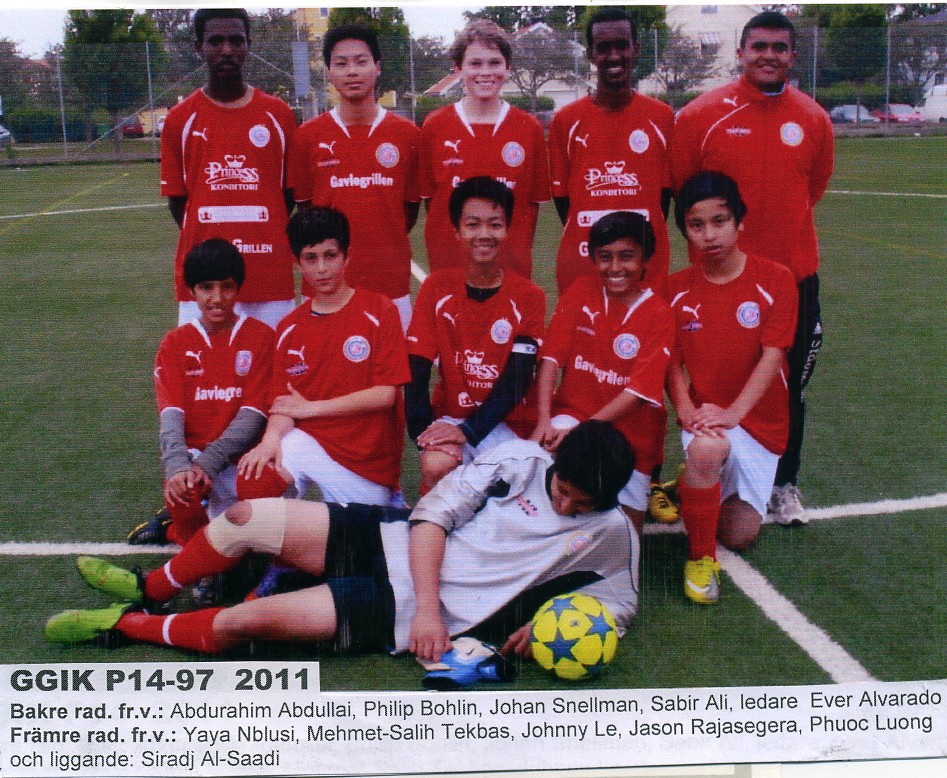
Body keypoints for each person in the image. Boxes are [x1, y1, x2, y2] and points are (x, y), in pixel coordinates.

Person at [45, 421, 639, 662]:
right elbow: (430, 519)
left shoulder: (611, 531)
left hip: (397, 612)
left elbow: (619, 602)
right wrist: (430, 610)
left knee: (241, 623)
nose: (567, 508)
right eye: (563, 492)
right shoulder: (518, 459)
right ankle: (148, 589)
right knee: (247, 518)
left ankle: (125, 626)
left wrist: (550, 623)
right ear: (555, 463)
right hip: (392, 542)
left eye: (582, 505)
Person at [670, 11, 833, 525]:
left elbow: (813, 187)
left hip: (793, 279)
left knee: (789, 386)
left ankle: (783, 483)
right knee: (714, 381)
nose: (768, 55)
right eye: (758, 46)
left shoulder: (813, 119)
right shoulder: (701, 115)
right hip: (719, 282)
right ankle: (703, 468)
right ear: (741, 53)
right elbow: (685, 196)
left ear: (792, 55)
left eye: (779, 47)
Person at [663, 172, 797, 606]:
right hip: (707, 419)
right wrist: (686, 409)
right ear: (685, 231)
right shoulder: (674, 290)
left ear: (740, 222)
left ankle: (688, 485)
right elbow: (671, 363)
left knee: (739, 534)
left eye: (719, 221)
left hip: (759, 422)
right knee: (706, 450)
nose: (709, 234)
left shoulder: (775, 280)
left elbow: (773, 356)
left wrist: (735, 412)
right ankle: (701, 559)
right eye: (696, 225)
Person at [237, 207, 410, 507]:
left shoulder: (380, 311)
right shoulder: (289, 327)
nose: (321, 268)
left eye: (330, 256)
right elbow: (283, 405)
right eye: (310, 258)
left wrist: (311, 409)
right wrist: (270, 440)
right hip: (310, 443)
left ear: (347, 256)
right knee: (256, 479)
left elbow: (385, 395)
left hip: (363, 461)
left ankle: (389, 504)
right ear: (297, 263)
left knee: (351, 535)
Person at [126, 239, 275, 546]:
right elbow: (170, 416)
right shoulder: (175, 343)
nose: (217, 298)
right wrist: (179, 467)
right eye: (206, 287)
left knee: (260, 494)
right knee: (182, 492)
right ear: (192, 291)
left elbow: (253, 416)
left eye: (226, 287)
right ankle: (182, 534)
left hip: (242, 458)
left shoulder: (261, 337)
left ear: (238, 288)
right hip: (196, 462)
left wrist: (208, 463)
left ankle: (193, 533)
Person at [533, 212, 674, 534]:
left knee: (624, 537)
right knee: (546, 496)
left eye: (627, 256)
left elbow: (638, 394)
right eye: (605, 257)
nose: (615, 267)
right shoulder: (581, 290)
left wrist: (582, 433)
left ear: (644, 259)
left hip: (631, 436)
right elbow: (550, 359)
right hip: (572, 416)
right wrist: (543, 420)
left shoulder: (659, 313)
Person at [406, 177, 545, 493]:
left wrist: (470, 431)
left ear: (506, 230)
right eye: (472, 225)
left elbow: (518, 378)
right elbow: (416, 370)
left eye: (495, 224)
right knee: (436, 463)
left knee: (514, 488)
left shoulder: (529, 296)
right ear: (457, 231)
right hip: (454, 417)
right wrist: (426, 435)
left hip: (509, 423)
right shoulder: (436, 288)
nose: (484, 234)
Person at [160, 8, 298, 330]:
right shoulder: (180, 119)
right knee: (206, 364)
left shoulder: (278, 115)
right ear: (199, 47)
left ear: (248, 45)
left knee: (274, 362)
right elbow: (178, 203)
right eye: (215, 41)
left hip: (269, 278)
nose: (227, 50)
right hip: (204, 283)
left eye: (236, 41)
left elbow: (287, 197)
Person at [288, 24, 420, 332]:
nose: (352, 71)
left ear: (377, 67)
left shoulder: (408, 136)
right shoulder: (307, 137)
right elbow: (306, 211)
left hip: (390, 285)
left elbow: (408, 212)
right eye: (341, 63)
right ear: (329, 73)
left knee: (393, 364)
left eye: (361, 61)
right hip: (326, 288)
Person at [547, 7, 674, 295]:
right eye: (604, 48)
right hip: (583, 265)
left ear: (636, 49)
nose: (614, 56)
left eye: (622, 46)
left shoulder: (662, 118)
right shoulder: (566, 121)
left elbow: (662, 201)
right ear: (591, 55)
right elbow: (564, 202)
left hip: (646, 267)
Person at [419, 19, 550, 279]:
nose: (486, 72)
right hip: (450, 271)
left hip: (510, 272)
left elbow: (531, 206)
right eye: (475, 63)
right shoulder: (435, 125)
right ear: (458, 68)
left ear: (508, 67)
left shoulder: (528, 127)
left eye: (494, 62)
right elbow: (432, 202)